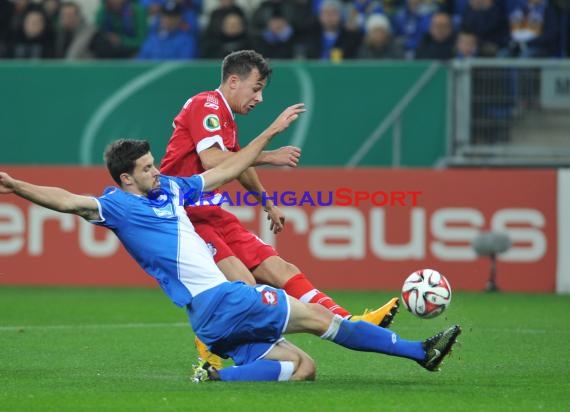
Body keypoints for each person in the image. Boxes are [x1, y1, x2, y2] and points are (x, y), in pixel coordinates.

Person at [0, 132, 462, 382]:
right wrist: (18, 186)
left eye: (154, 162)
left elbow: (225, 170)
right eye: (145, 168)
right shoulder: (119, 207)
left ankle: (216, 376)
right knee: (324, 320)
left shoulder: (171, 190)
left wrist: (267, 140)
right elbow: (66, 200)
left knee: (303, 369)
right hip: (225, 302)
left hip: (208, 320)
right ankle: (420, 353)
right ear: (124, 180)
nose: (156, 170)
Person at [160, 49, 401, 367]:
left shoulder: (225, 117)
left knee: (282, 271)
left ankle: (352, 323)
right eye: (256, 88)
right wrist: (270, 151)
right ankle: (216, 346)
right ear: (234, 81)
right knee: (245, 286)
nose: (259, 98)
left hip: (212, 211)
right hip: (185, 214)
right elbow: (215, 162)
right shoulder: (206, 105)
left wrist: (266, 202)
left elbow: (238, 164)